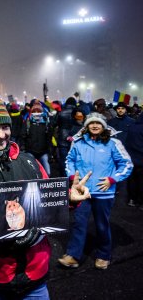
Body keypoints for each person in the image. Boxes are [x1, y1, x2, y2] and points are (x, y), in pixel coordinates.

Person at [0, 96, 91, 299]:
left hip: (35, 276)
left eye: (5, 127)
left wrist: (69, 199)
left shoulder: (29, 162)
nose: (1, 135)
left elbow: (47, 205)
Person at [59, 112, 133, 270]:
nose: (94, 125)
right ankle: (73, 255)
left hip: (103, 192)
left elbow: (127, 164)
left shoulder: (113, 143)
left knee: (101, 225)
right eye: (91, 123)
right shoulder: (78, 143)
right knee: (79, 223)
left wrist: (112, 179)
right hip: (82, 192)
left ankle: (103, 255)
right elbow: (69, 161)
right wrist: (73, 177)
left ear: (103, 126)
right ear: (86, 126)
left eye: (98, 123)